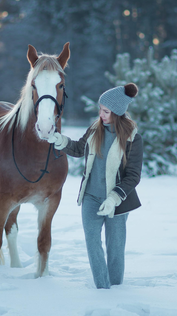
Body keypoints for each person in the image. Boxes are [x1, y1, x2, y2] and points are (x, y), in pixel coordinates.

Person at [48, 83, 143, 289]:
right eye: (100, 109)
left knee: (115, 248)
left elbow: (133, 176)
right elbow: (79, 148)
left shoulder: (132, 138)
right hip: (91, 197)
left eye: (106, 111)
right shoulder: (95, 129)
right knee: (93, 245)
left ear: (117, 112)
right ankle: (102, 288)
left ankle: (116, 290)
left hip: (116, 202)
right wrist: (61, 141)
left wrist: (113, 199)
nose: (101, 114)